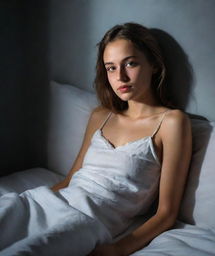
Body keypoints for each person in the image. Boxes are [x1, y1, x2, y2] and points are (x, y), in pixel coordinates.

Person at [0, 23, 192, 256]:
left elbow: (166, 214)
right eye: (111, 68)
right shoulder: (101, 115)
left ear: (153, 64)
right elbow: (71, 179)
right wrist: (34, 205)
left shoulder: (171, 122)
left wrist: (117, 249)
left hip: (84, 222)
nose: (120, 76)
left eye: (130, 63)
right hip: (46, 203)